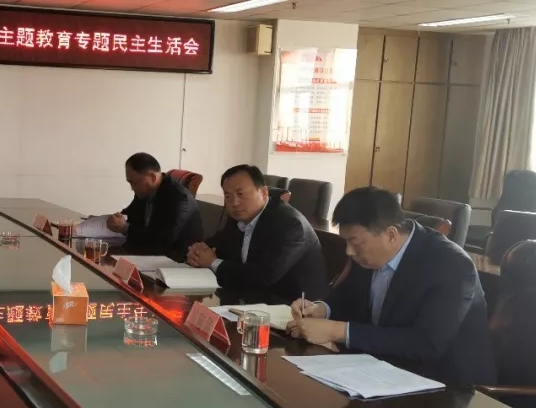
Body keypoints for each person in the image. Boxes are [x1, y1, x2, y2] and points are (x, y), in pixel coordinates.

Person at [286, 187, 495, 386]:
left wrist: (337, 331)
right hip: (385, 370)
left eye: (354, 242)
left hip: (449, 384)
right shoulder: (368, 253)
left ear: (391, 235)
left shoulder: (451, 265)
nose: (349, 251)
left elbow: (427, 344)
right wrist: (322, 310)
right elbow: (347, 297)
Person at [186, 165, 326, 302]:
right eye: (228, 196)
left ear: (263, 193)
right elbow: (218, 243)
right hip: (252, 299)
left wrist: (212, 262)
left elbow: (263, 276)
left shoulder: (291, 225)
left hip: (292, 306)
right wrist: (197, 251)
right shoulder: (240, 216)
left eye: (241, 194)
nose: (235, 203)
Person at [106, 153, 202, 258]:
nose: (132, 188)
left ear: (152, 177)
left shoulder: (178, 198)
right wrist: (113, 220)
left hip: (173, 259)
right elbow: (131, 214)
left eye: (134, 183)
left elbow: (162, 240)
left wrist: (125, 228)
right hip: (146, 252)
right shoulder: (144, 191)